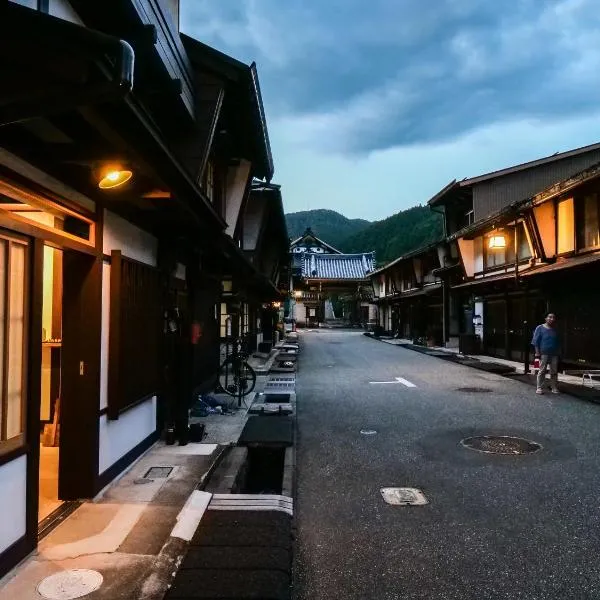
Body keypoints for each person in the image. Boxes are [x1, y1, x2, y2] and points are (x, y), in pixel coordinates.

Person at [531, 312, 560, 395]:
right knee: (542, 370)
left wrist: (559, 352)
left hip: (554, 354)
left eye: (553, 317)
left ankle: (554, 387)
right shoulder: (540, 328)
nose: (552, 319)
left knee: (554, 371)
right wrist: (537, 353)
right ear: (545, 318)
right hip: (543, 353)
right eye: (550, 317)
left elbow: (557, 342)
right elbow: (535, 341)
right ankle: (539, 387)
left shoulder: (555, 329)